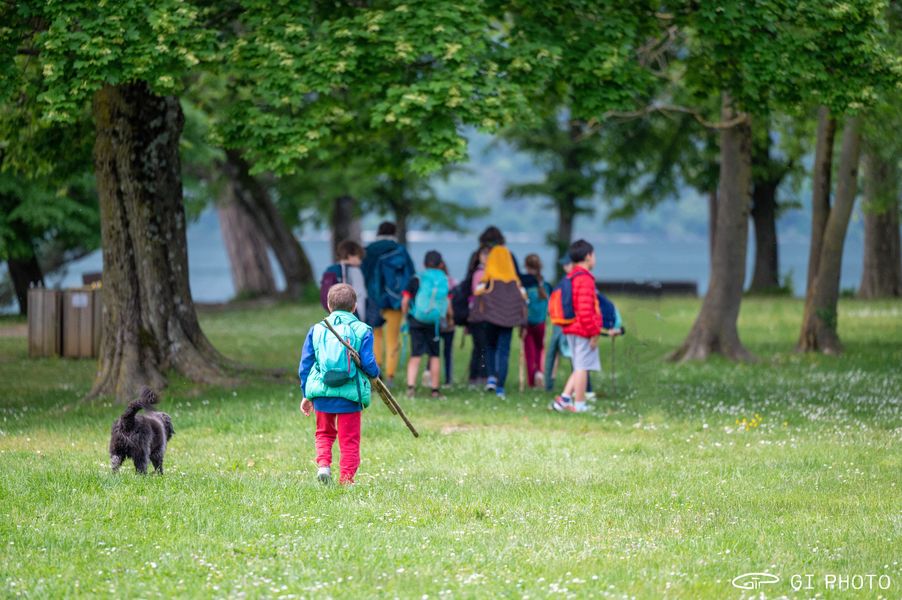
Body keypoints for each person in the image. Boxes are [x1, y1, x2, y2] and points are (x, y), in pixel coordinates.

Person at [298, 284, 379, 485]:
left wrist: (306, 393)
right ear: (355, 306)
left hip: (322, 394)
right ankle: (346, 479)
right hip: (350, 397)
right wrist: (375, 375)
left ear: (328, 305)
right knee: (349, 439)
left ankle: (324, 465)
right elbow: (368, 363)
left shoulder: (317, 329)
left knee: (324, 433)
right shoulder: (363, 330)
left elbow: (306, 364)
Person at [470, 231, 527, 399]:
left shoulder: (488, 279)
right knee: (504, 350)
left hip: (491, 318)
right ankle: (501, 387)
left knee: (490, 347)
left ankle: (491, 378)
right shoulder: (515, 282)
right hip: (508, 320)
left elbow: (477, 292)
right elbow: (524, 298)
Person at [362, 221, 415, 387]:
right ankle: (390, 376)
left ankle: (376, 373)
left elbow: (361, 275)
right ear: (394, 233)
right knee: (393, 338)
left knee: (375, 337)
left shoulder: (368, 251)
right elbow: (411, 275)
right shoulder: (400, 250)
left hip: (373, 300)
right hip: (395, 301)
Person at [551, 240, 601, 413]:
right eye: (594, 255)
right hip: (583, 330)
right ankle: (579, 404)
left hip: (572, 327)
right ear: (588, 256)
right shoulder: (585, 279)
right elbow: (586, 310)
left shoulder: (571, 277)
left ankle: (564, 399)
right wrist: (594, 332)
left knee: (580, 364)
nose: (595, 259)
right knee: (582, 367)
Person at [401, 250, 452, 399]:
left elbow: (405, 301)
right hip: (434, 322)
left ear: (424, 264)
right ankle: (435, 390)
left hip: (416, 319)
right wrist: (450, 319)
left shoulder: (417, 279)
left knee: (415, 354)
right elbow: (447, 303)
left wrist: (405, 316)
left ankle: (411, 388)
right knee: (435, 355)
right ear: (441, 264)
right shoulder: (444, 279)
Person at [521, 254, 552, 388]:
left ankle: (531, 380)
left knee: (529, 350)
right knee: (540, 348)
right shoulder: (545, 285)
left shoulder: (525, 285)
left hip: (527, 323)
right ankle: (539, 371)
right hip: (541, 322)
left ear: (526, 266)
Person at [319, 240, 367, 322]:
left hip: (334, 313)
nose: (360, 262)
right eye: (359, 257)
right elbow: (360, 295)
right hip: (352, 313)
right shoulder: (355, 271)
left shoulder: (330, 270)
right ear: (350, 256)